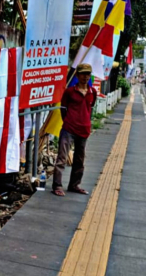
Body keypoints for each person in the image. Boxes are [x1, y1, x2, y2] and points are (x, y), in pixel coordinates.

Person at [52, 63, 97, 197]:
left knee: (80, 160)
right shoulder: (70, 91)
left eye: (88, 74)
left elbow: (90, 108)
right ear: (77, 75)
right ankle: (57, 185)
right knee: (62, 158)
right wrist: (68, 121)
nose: (85, 77)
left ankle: (74, 184)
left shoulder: (92, 92)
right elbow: (63, 109)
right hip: (69, 129)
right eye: (83, 74)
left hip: (84, 130)